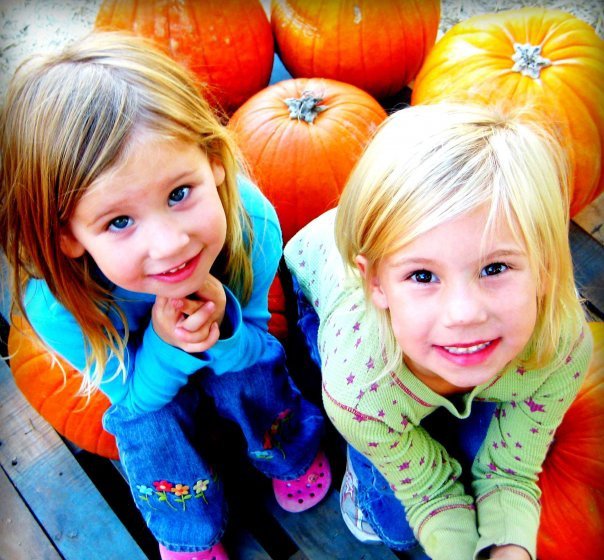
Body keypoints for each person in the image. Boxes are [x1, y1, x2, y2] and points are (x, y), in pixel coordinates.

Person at [0, 31, 331, 560]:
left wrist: (223, 325)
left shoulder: (252, 224)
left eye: (179, 193)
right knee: (147, 427)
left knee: (252, 375)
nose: (170, 243)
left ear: (213, 160)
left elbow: (255, 343)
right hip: (144, 380)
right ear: (67, 237)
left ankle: (289, 452)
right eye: (119, 222)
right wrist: (164, 342)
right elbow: (131, 398)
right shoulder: (57, 306)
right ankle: (189, 528)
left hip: (233, 350)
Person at [284, 103, 593, 560]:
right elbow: (428, 491)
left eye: (495, 267)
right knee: (392, 521)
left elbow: (512, 469)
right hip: (319, 287)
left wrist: (509, 548)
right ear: (377, 283)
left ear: (545, 269)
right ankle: (363, 472)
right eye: (424, 276)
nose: (463, 314)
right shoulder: (357, 390)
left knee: (475, 453)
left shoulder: (561, 348)